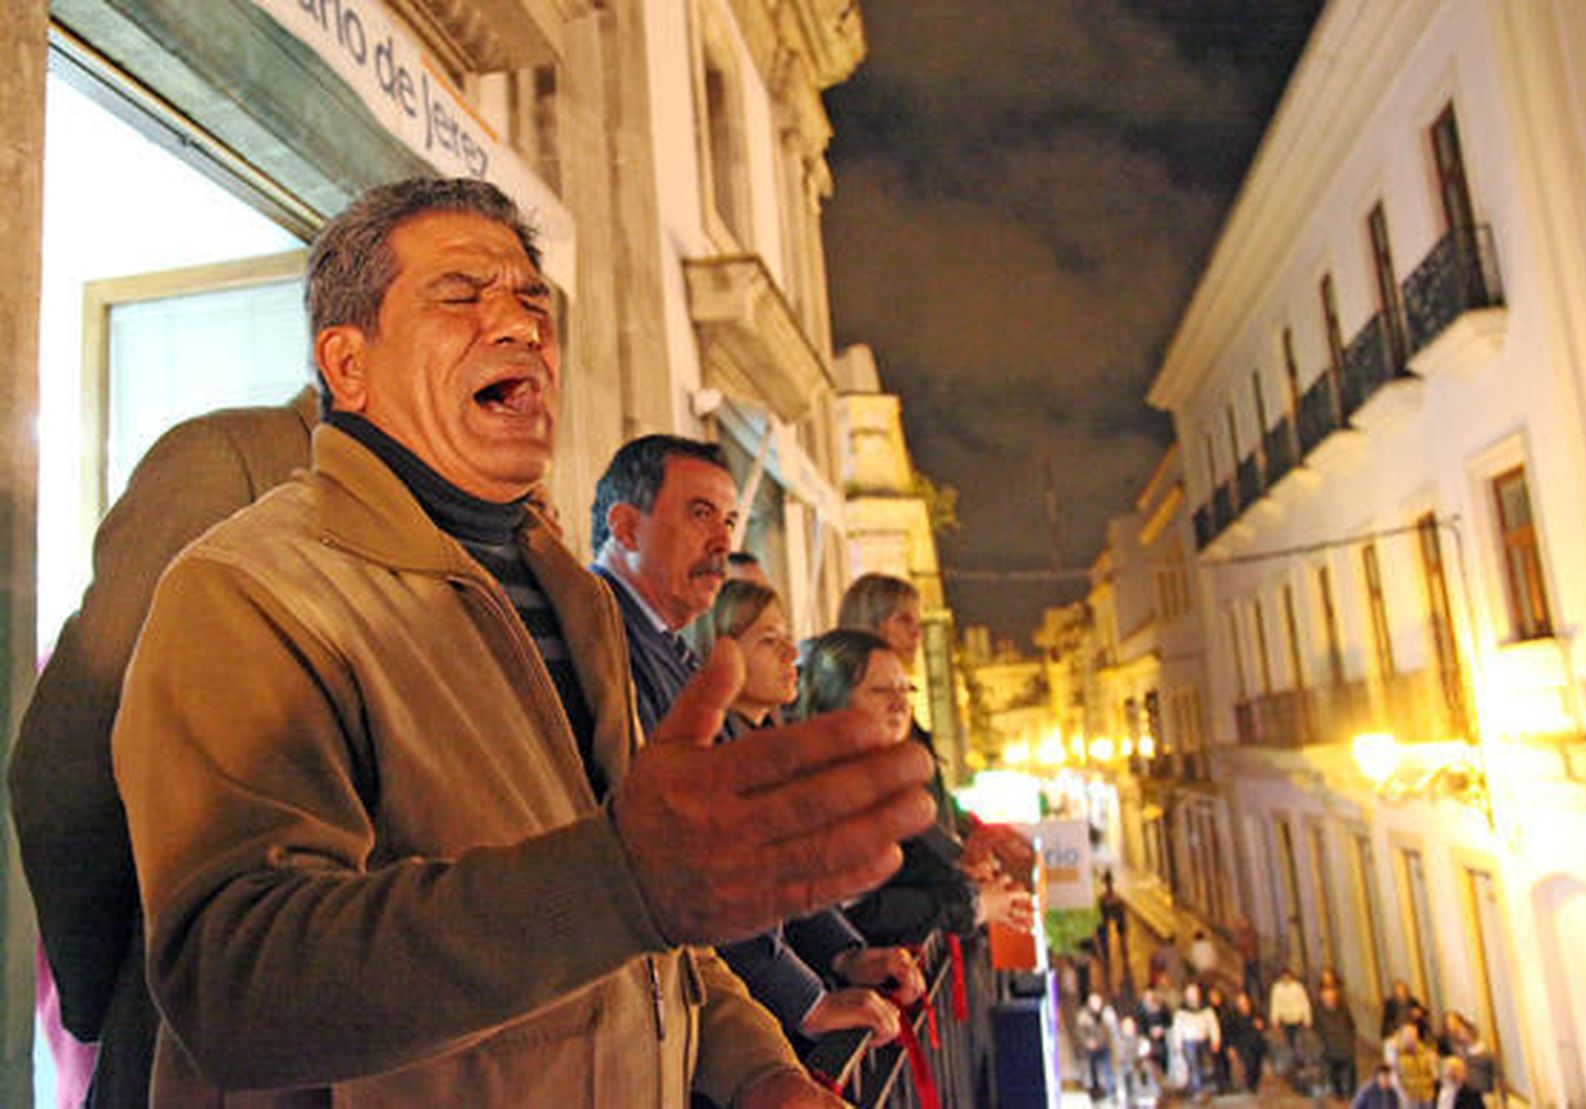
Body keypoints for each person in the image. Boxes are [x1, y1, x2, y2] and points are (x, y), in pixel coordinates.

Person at [110, 177, 936, 1106]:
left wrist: (759, 1071)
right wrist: (621, 878)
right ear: (348, 364)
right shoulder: (252, 590)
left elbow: (655, 930)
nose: (521, 329)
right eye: (461, 296)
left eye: (533, 303)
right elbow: (237, 985)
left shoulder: (574, 598)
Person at [7, 384, 319, 1105]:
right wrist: (109, 995)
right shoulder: (229, 466)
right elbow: (65, 777)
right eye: (462, 289)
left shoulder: (500, 526)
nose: (514, 331)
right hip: (226, 1048)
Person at [590, 438, 920, 1050]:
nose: (723, 541)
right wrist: (808, 1001)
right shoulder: (606, 642)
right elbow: (699, 859)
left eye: (730, 519)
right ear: (625, 526)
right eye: (699, 514)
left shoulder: (663, 645)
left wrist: (841, 957)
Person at [709, 578, 925, 1044]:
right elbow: (744, 909)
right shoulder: (720, 760)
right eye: (768, 641)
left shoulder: (764, 744)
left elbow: (798, 892)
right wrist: (809, 1001)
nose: (790, 653)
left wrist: (847, 955)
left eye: (904, 691)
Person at [796, 629, 1033, 945]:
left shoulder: (889, 780)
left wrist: (964, 871)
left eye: (905, 689)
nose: (898, 704)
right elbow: (860, 909)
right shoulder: (832, 791)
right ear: (833, 699)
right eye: (880, 691)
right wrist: (972, 904)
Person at [1171, 982, 1221, 1098]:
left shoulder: (1206, 1009)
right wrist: (1177, 1044)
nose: (1193, 995)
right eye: (1190, 993)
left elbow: (1213, 1025)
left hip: (1203, 1040)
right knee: (1194, 1066)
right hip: (1189, 1042)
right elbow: (1177, 1029)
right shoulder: (1181, 1012)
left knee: (1206, 1064)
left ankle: (1207, 1087)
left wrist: (1215, 1039)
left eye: (1195, 993)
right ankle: (1198, 1090)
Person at [1316, 981, 1359, 1097]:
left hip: (1345, 1041)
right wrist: (1323, 1041)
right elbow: (1317, 1028)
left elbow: (1351, 1023)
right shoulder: (1319, 1011)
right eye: (1326, 995)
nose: (1329, 998)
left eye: (1331, 995)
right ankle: (1338, 1091)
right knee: (1334, 1069)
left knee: (1351, 1067)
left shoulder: (1343, 1008)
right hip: (1330, 1043)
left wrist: (1350, 1037)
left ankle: (1352, 1091)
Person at [1222, 990, 1268, 1094]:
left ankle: (1254, 1083)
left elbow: (1264, 1022)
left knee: (1257, 1065)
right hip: (1242, 1044)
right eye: (1241, 1003)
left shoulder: (1255, 1012)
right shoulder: (1232, 1016)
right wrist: (1230, 1047)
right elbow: (1228, 1032)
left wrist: (1261, 1025)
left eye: (1245, 1002)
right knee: (1249, 1063)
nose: (1243, 1005)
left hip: (1257, 1043)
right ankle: (1249, 1084)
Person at [1074, 992, 1117, 1100]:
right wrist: (1087, 1042)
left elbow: (1111, 1028)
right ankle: (1095, 1090)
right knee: (1093, 1069)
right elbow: (1079, 1032)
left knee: (1108, 1068)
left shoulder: (1106, 1013)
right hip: (1091, 1046)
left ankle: (1111, 1091)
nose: (1096, 1005)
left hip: (1103, 1044)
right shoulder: (1083, 1015)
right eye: (1094, 1002)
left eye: (1098, 1002)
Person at [1390, 1022, 1441, 1108]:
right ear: (1402, 1036)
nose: (1412, 1039)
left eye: (1414, 1036)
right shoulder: (1396, 1054)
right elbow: (1394, 1077)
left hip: (1426, 1096)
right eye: (1408, 1036)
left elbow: (1433, 1074)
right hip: (1408, 1098)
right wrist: (1402, 1095)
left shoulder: (1424, 1052)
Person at [1269, 965, 1314, 1054]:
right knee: (1289, 1041)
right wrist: (1274, 1020)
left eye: (1288, 977)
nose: (1286, 979)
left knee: (1301, 1041)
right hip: (1285, 1020)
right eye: (1284, 977)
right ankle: (1293, 1057)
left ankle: (1301, 1056)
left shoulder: (1298, 987)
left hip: (1298, 1019)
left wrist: (1307, 1018)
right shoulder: (1277, 989)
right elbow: (1275, 1005)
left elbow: (1305, 1003)